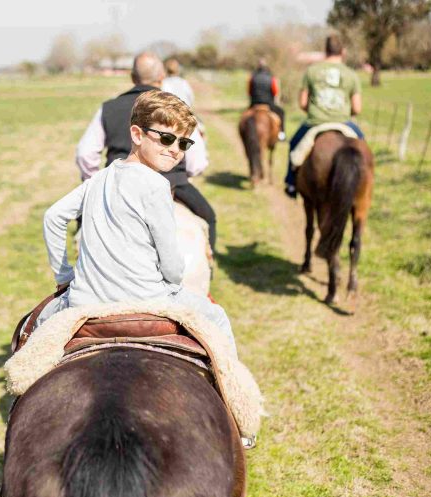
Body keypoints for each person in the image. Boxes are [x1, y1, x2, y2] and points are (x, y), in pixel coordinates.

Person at [39, 90, 235, 346]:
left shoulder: (99, 178)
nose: (175, 150)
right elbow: (172, 268)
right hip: (147, 299)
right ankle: (234, 385)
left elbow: (53, 217)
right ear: (137, 134)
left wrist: (64, 276)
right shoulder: (156, 185)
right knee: (218, 317)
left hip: (85, 300)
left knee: (35, 327)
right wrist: (173, 281)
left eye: (183, 143)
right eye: (166, 139)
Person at [76, 52, 218, 251]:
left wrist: (96, 181)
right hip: (173, 184)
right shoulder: (178, 110)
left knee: (85, 228)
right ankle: (209, 272)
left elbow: (85, 153)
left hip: (117, 185)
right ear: (162, 77)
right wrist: (186, 174)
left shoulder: (109, 108)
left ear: (133, 77)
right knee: (209, 218)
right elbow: (197, 162)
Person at [284, 34, 364, 198]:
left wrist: (314, 110)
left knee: (294, 144)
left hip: (315, 122)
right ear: (343, 51)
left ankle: (291, 183)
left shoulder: (311, 71)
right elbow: (357, 108)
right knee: (363, 149)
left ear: (325, 51)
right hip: (344, 122)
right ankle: (364, 184)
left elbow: (302, 102)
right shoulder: (351, 75)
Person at [248, 58, 286, 141]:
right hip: (268, 104)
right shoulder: (271, 78)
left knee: (245, 118)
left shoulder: (252, 77)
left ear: (258, 67)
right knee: (281, 112)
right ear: (266, 67)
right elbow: (275, 92)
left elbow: (249, 92)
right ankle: (282, 134)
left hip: (254, 103)